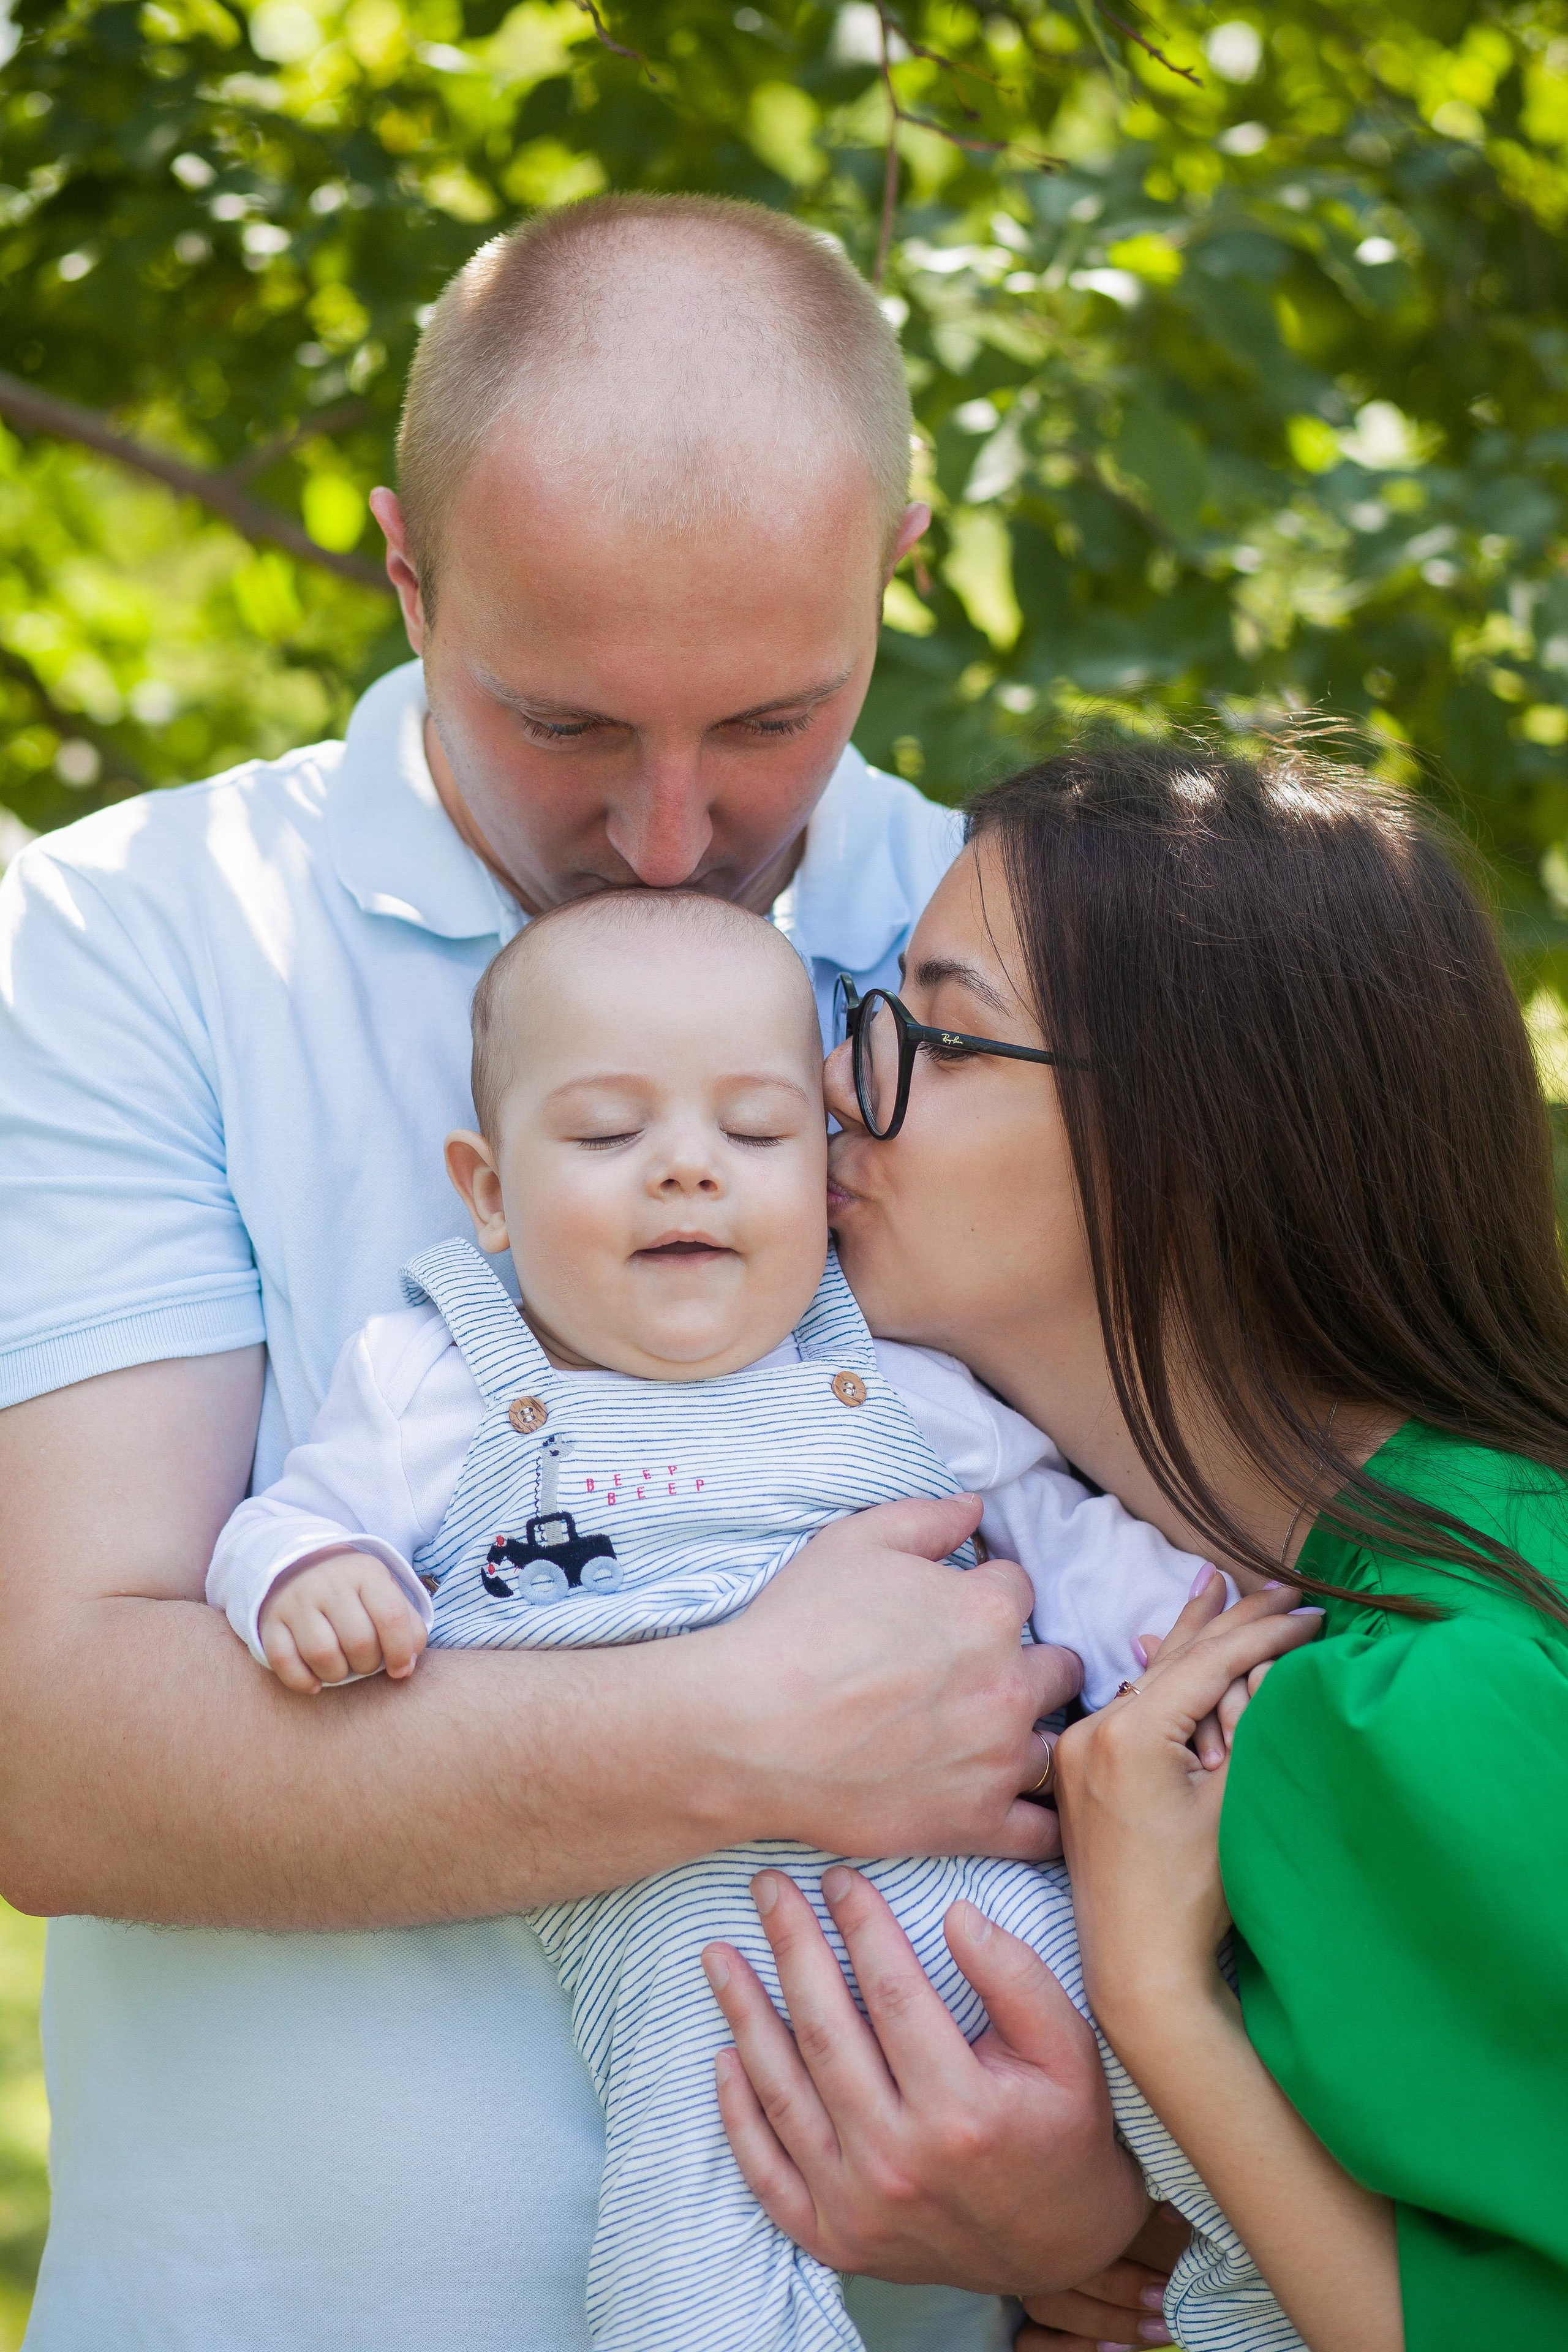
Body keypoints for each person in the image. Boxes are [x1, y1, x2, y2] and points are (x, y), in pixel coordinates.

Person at [0, 197, 1161, 2352]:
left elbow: (1220, 1617)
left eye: (773, 719)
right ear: (406, 568)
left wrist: (1118, 2217)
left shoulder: (1016, 964)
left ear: (898, 568)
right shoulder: (127, 942)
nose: (668, 837)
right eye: (563, 723)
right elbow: (46, 1753)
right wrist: (736, 1732)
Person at [202, 889, 1280, 2352]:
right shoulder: (432, 1379)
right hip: (694, 1977)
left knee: (1232, 2132)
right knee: (685, 2275)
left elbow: (1063, 1551)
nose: (687, 1169)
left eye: (757, 1134)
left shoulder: (895, 1375)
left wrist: (1187, 1641)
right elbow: (282, 1521)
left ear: (822, 1176)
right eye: (607, 1135)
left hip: (997, 1906)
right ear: (489, 1192)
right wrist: (312, 1577)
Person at [703, 738, 1568, 2352]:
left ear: (1195, 1135)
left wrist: (1156, 2000)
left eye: (935, 1036)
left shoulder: (1421, 1706)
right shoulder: (1373, 1590)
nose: (832, 1081)